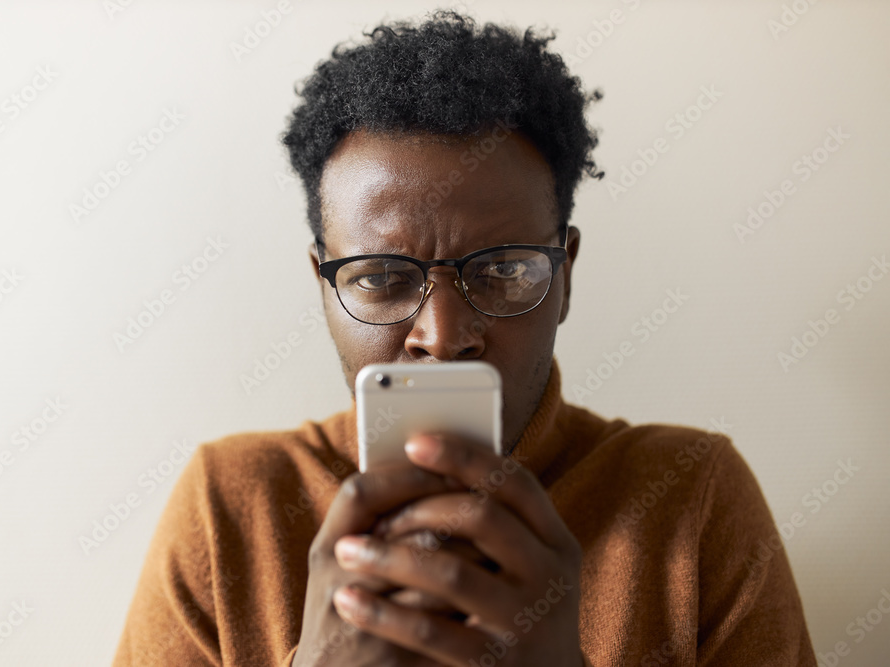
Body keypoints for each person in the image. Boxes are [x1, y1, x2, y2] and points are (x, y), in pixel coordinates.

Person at [113, 11, 816, 666]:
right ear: (323, 286)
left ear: (565, 276)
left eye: (504, 270)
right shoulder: (231, 504)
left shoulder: (690, 494)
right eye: (382, 276)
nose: (443, 336)